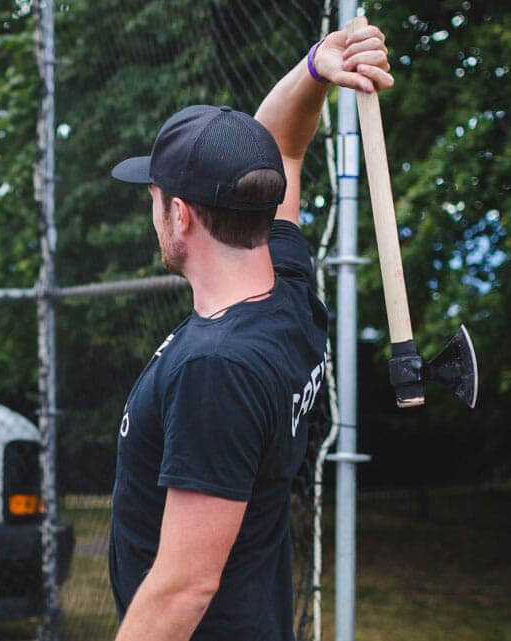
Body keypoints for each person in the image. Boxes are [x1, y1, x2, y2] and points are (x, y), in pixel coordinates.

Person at [106, 23, 394, 641]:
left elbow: (186, 586)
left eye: (154, 198)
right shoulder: (286, 291)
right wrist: (318, 66)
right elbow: (284, 148)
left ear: (178, 214)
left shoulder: (218, 367)